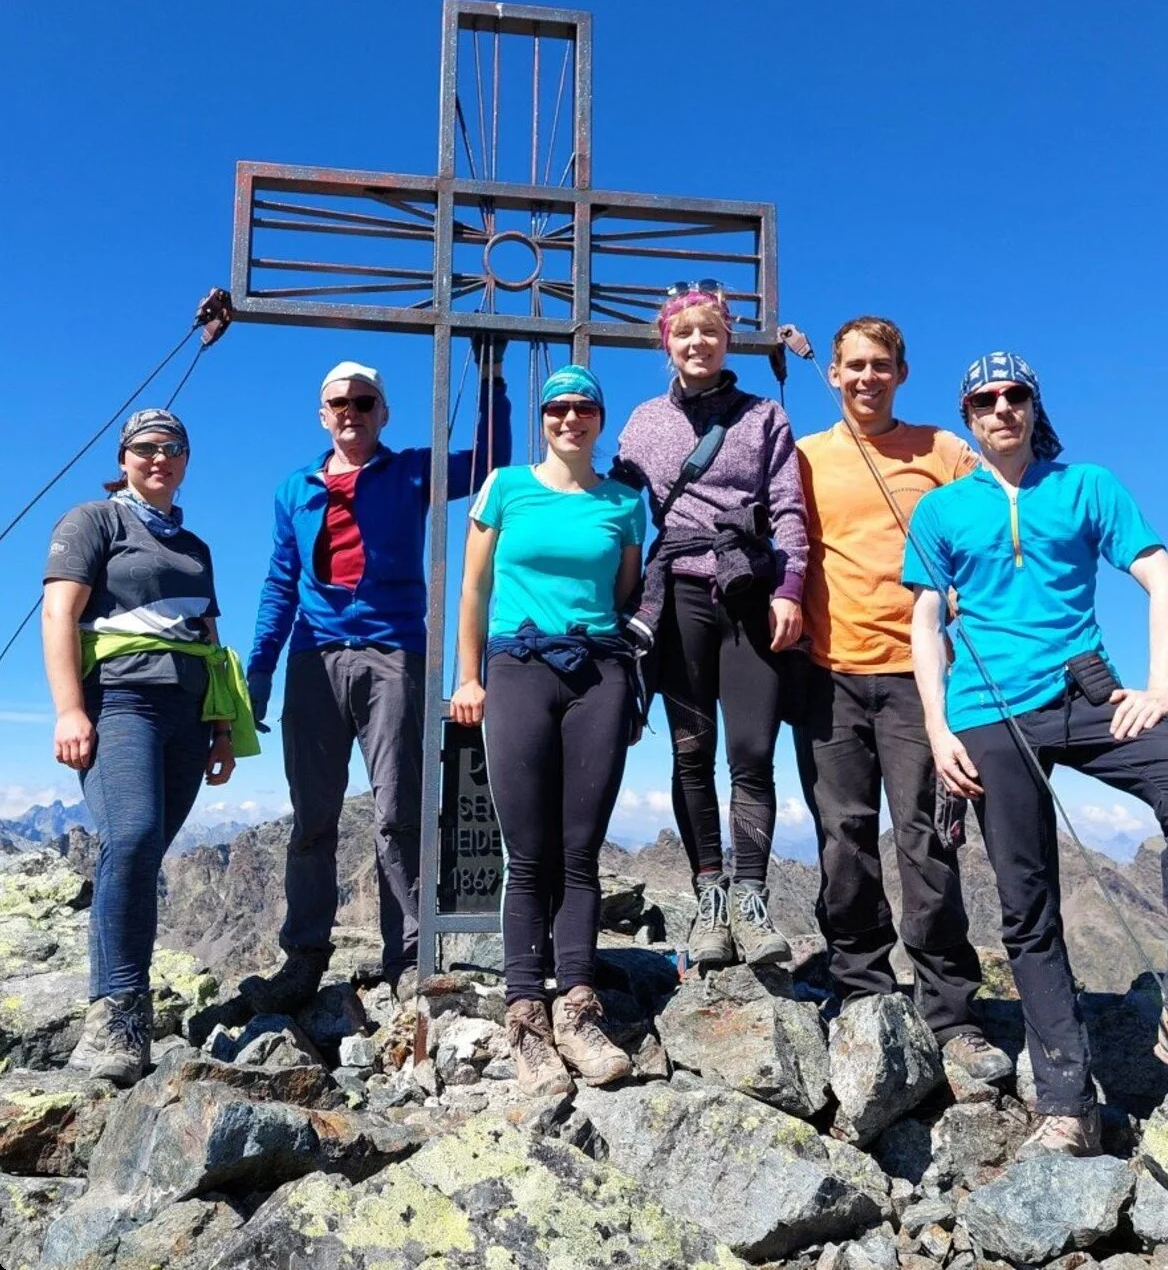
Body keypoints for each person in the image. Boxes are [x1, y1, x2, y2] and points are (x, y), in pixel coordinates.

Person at [904, 351, 1168, 1158]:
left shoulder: (1087, 486)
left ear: (1034, 405)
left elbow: (1166, 581)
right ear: (968, 415)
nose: (1002, 407)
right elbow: (926, 624)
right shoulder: (941, 511)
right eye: (985, 398)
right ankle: (1067, 1103)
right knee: (1026, 903)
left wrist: (1162, 688)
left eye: (1016, 394)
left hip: (1087, 697)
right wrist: (937, 729)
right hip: (988, 714)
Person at [243, 348, 511, 1010]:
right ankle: (304, 956)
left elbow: (489, 464)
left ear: (383, 412)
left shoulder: (411, 471)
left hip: (394, 651)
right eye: (340, 402)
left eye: (364, 401)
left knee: (399, 811)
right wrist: (258, 668)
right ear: (322, 415)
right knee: (312, 816)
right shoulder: (293, 489)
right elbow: (280, 583)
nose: (351, 412)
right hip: (313, 658)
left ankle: (411, 954)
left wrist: (491, 379)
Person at [794, 317, 1010, 1081]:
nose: (865, 377)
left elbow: (992, 514)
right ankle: (862, 989)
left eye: (880, 365)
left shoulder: (942, 451)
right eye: (853, 365)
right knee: (843, 833)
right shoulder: (806, 457)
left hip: (918, 675)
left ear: (902, 372)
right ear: (834, 374)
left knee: (927, 836)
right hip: (827, 672)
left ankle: (950, 1008)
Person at [43, 409, 255, 1085]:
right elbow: (59, 613)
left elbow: (210, 640)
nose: (158, 457)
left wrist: (223, 728)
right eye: (145, 448)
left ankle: (128, 1016)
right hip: (121, 701)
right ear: (124, 456)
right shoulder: (94, 522)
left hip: (189, 713)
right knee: (130, 838)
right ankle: (113, 1018)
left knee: (143, 852)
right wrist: (70, 709)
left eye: (173, 448)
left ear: (186, 459)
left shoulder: (196, 547)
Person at [450, 365, 644, 1095]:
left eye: (583, 408)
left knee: (581, 850)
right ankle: (526, 1015)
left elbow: (623, 591)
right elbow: (473, 586)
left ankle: (578, 1007)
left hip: (598, 670)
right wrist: (468, 677)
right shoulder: (504, 486)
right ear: (544, 418)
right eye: (557, 408)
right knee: (527, 852)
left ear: (599, 418)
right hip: (518, 665)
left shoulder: (625, 502)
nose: (570, 419)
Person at [615, 279, 806, 968]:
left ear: (728, 339)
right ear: (666, 341)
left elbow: (789, 508)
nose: (697, 341)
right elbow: (617, 507)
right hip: (678, 600)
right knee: (691, 750)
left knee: (752, 751)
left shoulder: (763, 418)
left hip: (749, 594)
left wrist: (790, 587)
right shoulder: (640, 422)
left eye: (710, 330)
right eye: (683, 331)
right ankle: (710, 899)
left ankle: (751, 898)